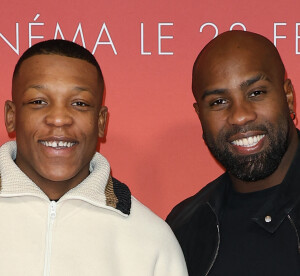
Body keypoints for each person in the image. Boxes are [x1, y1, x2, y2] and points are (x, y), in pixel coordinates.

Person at [0, 39, 188, 276]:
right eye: (39, 102)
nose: (59, 119)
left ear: (101, 122)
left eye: (79, 104)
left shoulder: (151, 239)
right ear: (11, 116)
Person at [166, 30, 300, 276]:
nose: (240, 116)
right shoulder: (184, 226)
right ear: (200, 116)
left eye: (256, 93)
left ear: (288, 97)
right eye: (218, 102)